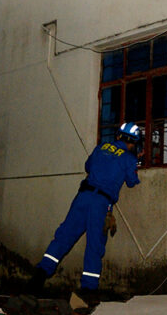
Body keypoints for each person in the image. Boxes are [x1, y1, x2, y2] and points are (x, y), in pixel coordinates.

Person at [30, 122, 142, 296]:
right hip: (101, 202)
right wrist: (135, 161)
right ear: (133, 143)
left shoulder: (101, 148)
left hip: (82, 197)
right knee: (95, 244)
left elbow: (88, 166)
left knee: (64, 236)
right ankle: (88, 289)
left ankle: (40, 274)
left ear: (118, 136)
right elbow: (132, 182)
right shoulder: (129, 158)